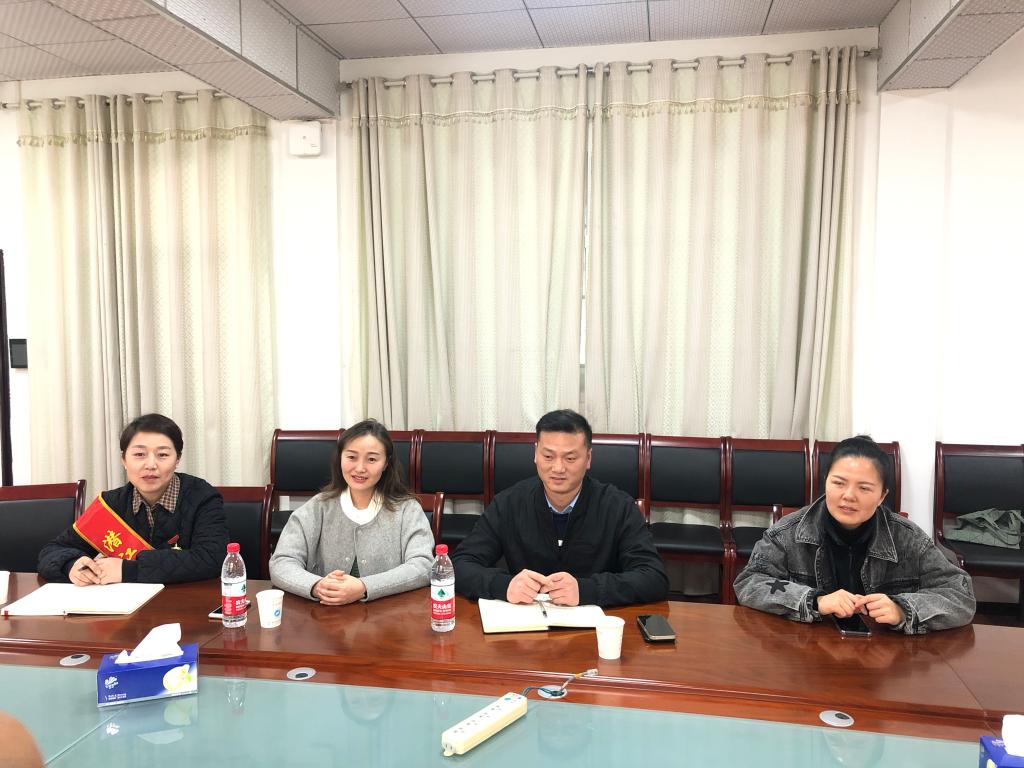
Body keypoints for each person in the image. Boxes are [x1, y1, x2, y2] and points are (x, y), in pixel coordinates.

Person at [734, 435, 975, 634]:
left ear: (882, 496)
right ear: (825, 482)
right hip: (806, 651)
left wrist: (903, 609)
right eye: (839, 483)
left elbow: (959, 595)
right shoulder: (787, 532)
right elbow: (752, 582)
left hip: (883, 659)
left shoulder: (908, 539)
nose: (848, 495)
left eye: (864, 488)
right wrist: (815, 600)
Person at [453, 409, 668, 607]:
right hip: (525, 624)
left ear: (588, 458)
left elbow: (654, 577)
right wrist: (504, 586)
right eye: (548, 456)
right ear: (535, 454)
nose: (558, 468)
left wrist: (587, 590)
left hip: (595, 626)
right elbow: (460, 564)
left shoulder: (618, 507)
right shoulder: (509, 503)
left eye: (570, 458)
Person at [37, 413, 228, 585]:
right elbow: (52, 551)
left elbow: (213, 558)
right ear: (124, 460)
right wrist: (71, 565)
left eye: (162, 455)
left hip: (183, 605)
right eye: (139, 454)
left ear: (177, 459)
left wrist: (127, 570)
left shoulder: (201, 496)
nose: (151, 464)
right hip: (125, 608)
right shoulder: (111, 504)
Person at [270, 419, 433, 604]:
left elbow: (423, 565)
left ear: (386, 463)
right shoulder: (318, 507)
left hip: (388, 616)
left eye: (372, 459)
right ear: (340, 457)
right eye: (352, 457)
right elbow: (282, 561)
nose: (360, 468)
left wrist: (365, 587)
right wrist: (316, 586)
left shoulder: (407, 509)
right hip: (325, 616)